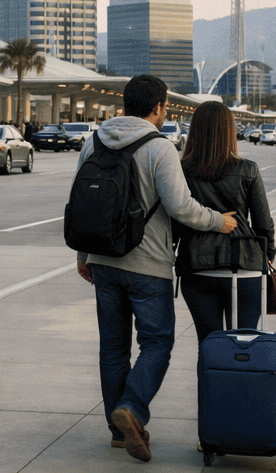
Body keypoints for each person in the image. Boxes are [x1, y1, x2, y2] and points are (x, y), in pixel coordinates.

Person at [74, 74, 237, 462]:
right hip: (147, 264)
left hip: (102, 260)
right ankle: (132, 408)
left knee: (113, 346)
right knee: (158, 342)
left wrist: (83, 257)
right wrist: (220, 221)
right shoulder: (159, 147)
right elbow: (182, 207)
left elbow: (81, 204)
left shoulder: (91, 141)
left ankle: (119, 432)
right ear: (159, 107)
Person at [176, 100, 275, 341]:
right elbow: (263, 223)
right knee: (242, 347)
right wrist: (268, 253)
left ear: (195, 131)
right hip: (244, 266)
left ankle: (208, 380)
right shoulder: (248, 169)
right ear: (229, 131)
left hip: (197, 267)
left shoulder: (181, 171)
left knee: (208, 345)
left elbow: (176, 219)